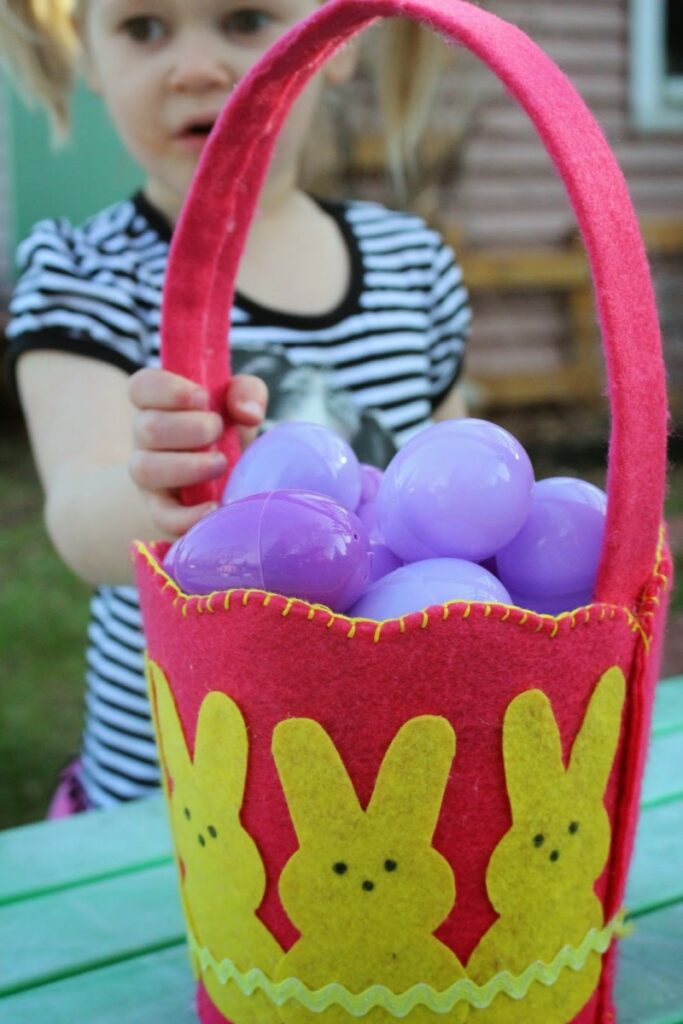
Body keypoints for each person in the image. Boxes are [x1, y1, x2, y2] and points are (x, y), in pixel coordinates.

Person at [2, 0, 471, 814]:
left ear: (340, 44)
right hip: (175, 796)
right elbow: (79, 517)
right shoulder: (86, 272)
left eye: (247, 19)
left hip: (385, 774)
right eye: (144, 28)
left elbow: (456, 495)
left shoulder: (410, 265)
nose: (196, 67)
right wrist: (156, 496)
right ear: (90, 57)